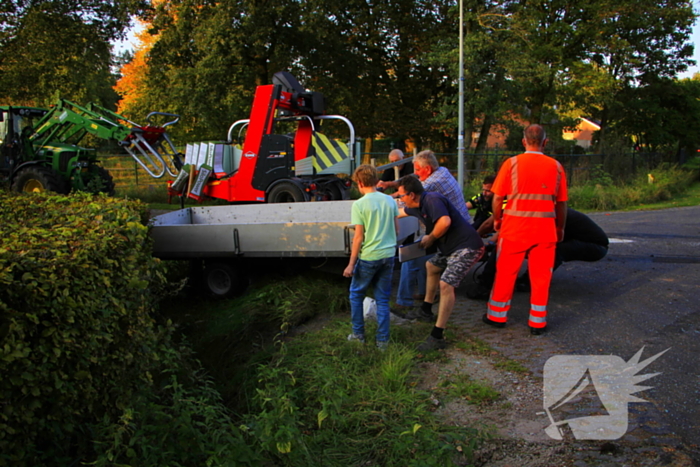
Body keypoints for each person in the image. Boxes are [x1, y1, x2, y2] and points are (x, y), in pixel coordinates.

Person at [484, 124, 567, 335]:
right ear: (545, 143)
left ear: (523, 141)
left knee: (505, 274)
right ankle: (537, 322)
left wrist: (497, 220)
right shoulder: (556, 167)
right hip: (545, 231)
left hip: (514, 229)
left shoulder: (511, 164)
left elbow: (497, 198)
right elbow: (561, 204)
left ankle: (496, 316)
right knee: (541, 279)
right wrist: (560, 228)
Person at [396, 175, 484, 351]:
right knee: (432, 266)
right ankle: (426, 310)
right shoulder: (416, 207)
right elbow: (398, 213)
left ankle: (437, 336)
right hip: (451, 249)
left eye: (401, 196)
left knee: (446, 284)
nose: (400, 199)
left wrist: (431, 237)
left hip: (468, 247)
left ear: (412, 194)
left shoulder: (432, 199)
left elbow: (445, 222)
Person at [383, 150, 472, 313]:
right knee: (426, 257)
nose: (416, 173)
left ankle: (404, 302)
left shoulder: (430, 186)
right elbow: (408, 197)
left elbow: (407, 196)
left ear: (428, 169)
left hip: (454, 236)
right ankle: (424, 293)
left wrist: (382, 203)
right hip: (458, 231)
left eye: (417, 170)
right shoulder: (443, 171)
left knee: (410, 257)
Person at [469, 208, 609, 297]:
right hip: (577, 239)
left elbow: (508, 234)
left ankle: (525, 282)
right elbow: (492, 226)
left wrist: (489, 246)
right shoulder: (536, 209)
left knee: (551, 251)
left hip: (595, 246)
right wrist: (489, 244)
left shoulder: (543, 214)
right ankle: (497, 281)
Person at [343, 165, 399, 350]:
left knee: (356, 294)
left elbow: (358, 237)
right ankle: (382, 341)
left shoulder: (359, 204)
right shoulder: (390, 201)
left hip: (369, 256)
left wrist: (351, 264)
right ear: (376, 181)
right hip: (389, 254)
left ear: (359, 183)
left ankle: (358, 334)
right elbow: (397, 230)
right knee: (383, 299)